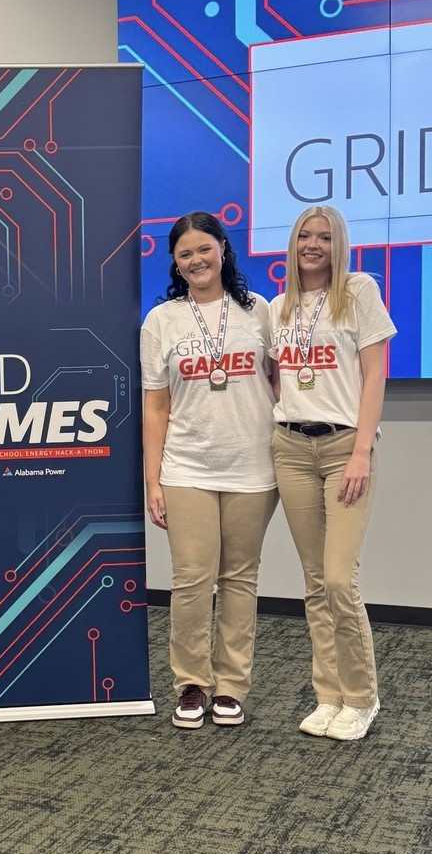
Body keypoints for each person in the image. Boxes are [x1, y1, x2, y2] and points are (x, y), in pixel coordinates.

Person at [141, 211, 278, 729]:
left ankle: (232, 686)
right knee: (192, 579)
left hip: (253, 465)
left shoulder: (259, 311)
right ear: (175, 263)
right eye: (185, 254)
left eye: (204, 249)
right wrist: (152, 479)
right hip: (187, 467)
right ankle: (192, 684)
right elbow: (156, 407)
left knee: (240, 578)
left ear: (223, 249)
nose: (196, 260)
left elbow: (278, 383)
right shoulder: (162, 321)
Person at [269, 206, 395, 741]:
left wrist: (363, 450)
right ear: (293, 243)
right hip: (292, 448)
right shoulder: (277, 306)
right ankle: (329, 694)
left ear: (337, 244)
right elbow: (274, 377)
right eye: (305, 236)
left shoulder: (358, 291)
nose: (313, 244)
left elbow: (375, 372)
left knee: (341, 578)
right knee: (316, 582)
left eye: (324, 237)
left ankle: (363, 697)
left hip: (345, 447)